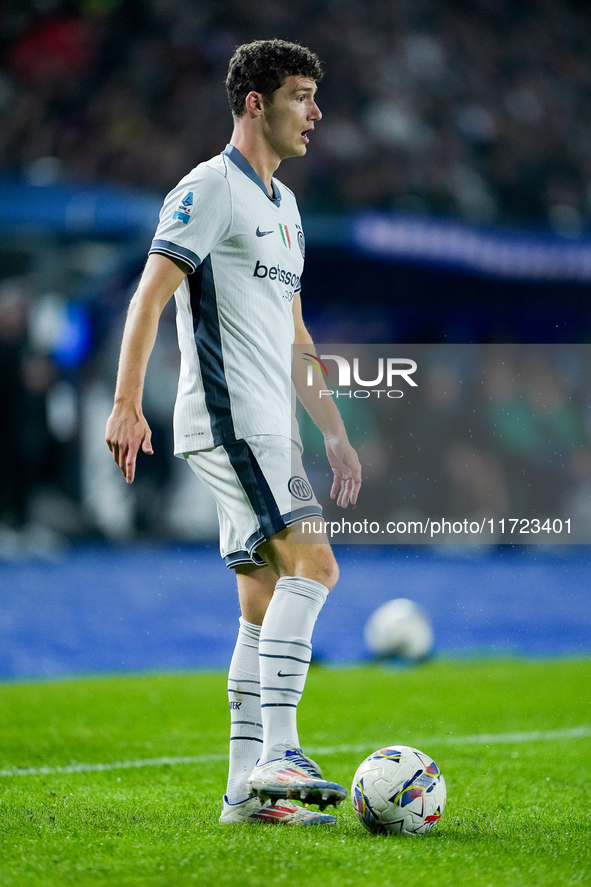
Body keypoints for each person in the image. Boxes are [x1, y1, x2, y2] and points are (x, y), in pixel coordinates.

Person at [106, 39, 362, 827]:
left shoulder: (284, 210)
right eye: (300, 95)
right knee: (315, 565)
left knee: (260, 602)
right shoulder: (207, 187)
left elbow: (295, 335)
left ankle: (241, 796)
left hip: (270, 424)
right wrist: (124, 402)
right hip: (229, 419)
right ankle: (280, 754)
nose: (315, 112)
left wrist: (333, 429)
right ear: (255, 102)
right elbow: (148, 298)